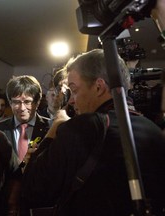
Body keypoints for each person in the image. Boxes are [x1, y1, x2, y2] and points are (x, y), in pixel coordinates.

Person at [22, 49, 165, 215]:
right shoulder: (154, 131)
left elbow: (33, 189)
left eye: (74, 90)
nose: (72, 100)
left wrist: (55, 128)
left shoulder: (80, 128)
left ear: (98, 87)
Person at [0, 75, 50, 163]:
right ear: (10, 103)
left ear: (37, 102)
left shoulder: (51, 128)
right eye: (16, 102)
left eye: (27, 102)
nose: (22, 108)